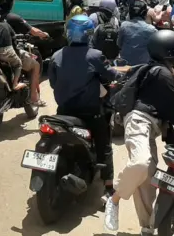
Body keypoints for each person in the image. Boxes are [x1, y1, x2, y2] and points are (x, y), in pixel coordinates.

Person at [104, 30, 174, 234]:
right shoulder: (162, 73)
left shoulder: (161, 69)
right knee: (141, 163)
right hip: (139, 122)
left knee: (146, 183)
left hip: (151, 127)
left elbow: (167, 110)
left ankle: (146, 228)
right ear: (168, 50)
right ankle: (114, 199)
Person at [49, 15, 123, 202]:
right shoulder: (95, 55)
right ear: (89, 34)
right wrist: (121, 75)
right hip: (90, 113)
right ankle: (108, 188)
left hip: (64, 112)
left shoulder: (57, 55)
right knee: (104, 146)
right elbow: (110, 74)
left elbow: (52, 83)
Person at [0, 10, 43, 106]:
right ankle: (20, 87)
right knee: (21, 64)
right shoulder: (6, 25)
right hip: (8, 53)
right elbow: (14, 41)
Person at [117, 0, 157, 65]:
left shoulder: (124, 25)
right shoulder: (152, 29)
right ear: (145, 13)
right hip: (144, 65)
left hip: (126, 64)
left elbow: (119, 44)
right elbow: (155, 50)